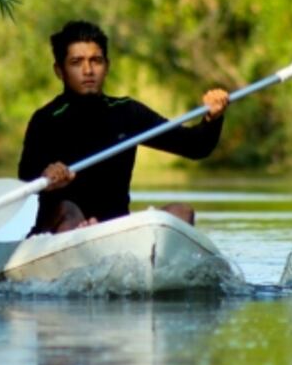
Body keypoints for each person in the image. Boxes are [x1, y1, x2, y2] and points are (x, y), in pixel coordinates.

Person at [18, 20, 230, 236]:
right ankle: (79, 234)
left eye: (96, 61)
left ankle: (152, 262)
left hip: (114, 231)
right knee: (68, 210)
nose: (88, 70)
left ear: (107, 66)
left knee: (181, 212)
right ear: (60, 71)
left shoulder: (128, 113)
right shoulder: (46, 120)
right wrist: (46, 179)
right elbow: (24, 181)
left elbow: (195, 146)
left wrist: (213, 117)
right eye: (76, 62)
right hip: (59, 229)